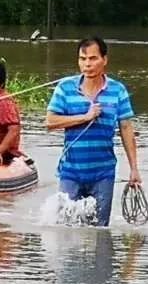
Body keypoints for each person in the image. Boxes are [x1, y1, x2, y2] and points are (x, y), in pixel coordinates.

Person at [46, 36, 141, 227]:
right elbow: (50, 122)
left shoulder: (117, 90)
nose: (87, 64)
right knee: (64, 227)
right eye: (83, 59)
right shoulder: (65, 88)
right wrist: (85, 117)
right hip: (71, 171)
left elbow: (126, 128)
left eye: (92, 58)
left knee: (99, 230)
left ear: (104, 60)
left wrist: (134, 169)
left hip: (103, 172)